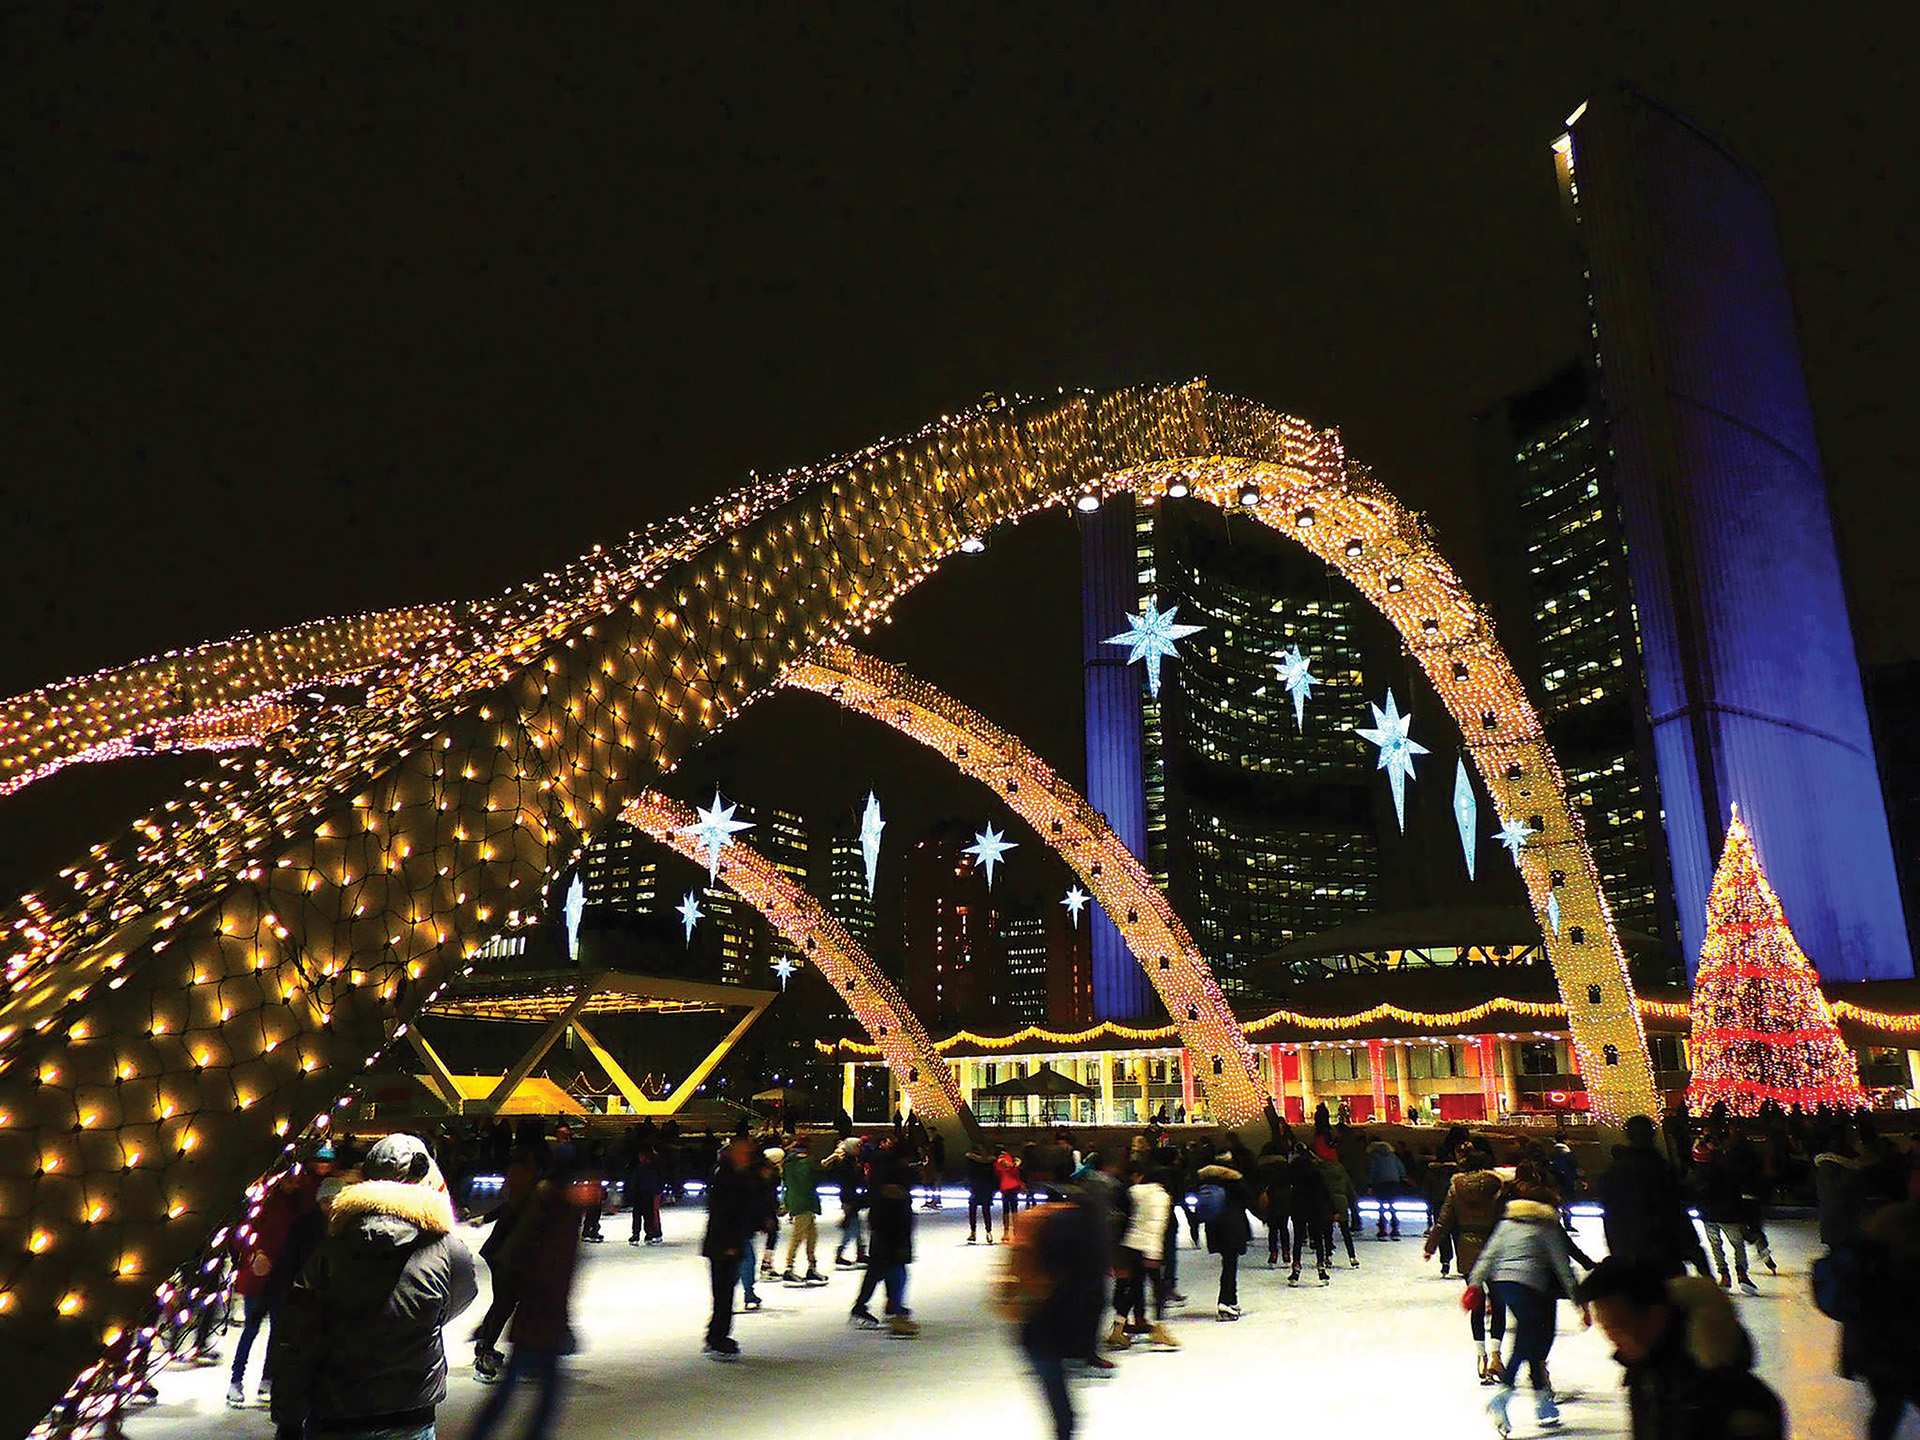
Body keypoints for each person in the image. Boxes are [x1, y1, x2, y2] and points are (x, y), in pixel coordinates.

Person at [269, 1133, 478, 1440]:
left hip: (336, 1414)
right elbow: (461, 1296)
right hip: (411, 1416)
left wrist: (288, 1419)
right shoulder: (446, 1250)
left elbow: (297, 1339)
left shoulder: (330, 1250)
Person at [1578, 1257, 1784, 1440]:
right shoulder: (1647, 1373)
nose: (1612, 1338)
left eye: (1617, 1326)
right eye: (1605, 1328)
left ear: (1655, 1315)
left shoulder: (1736, 1400)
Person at [465, 1163, 594, 1440]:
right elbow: (534, 1261)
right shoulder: (550, 1210)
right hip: (538, 1316)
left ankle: (485, 1348)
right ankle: (484, 1350)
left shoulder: (555, 1210)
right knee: (539, 1395)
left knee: (534, 1392)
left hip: (540, 1317)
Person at [998, 1145, 1106, 1440]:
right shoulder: (1089, 1213)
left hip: (1044, 1321)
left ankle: (1065, 1426)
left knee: (1058, 1398)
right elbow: (1099, 1267)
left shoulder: (1033, 1221)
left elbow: (1019, 1272)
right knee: (1062, 1403)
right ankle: (1065, 1425)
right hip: (1077, 1317)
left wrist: (1011, 1302)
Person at [1469, 1196, 1586, 1433]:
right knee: (1530, 1338)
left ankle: (1543, 1404)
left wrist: (1475, 1283)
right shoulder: (1548, 1226)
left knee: (1534, 1337)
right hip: (1532, 1285)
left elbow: (1488, 1255)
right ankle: (1504, 1395)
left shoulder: (1506, 1224)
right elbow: (1561, 1265)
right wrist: (1578, 1300)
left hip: (1505, 1285)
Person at [227, 1168, 316, 1408]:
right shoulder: (264, 1201)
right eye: (290, 1179)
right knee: (251, 1329)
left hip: (283, 1278)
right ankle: (236, 1380)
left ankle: (268, 1378)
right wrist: (254, 1254)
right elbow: (241, 1235)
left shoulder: (300, 1202)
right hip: (259, 1277)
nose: (294, 1184)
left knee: (278, 1331)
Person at [1839, 1197, 1920, 1440]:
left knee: (1886, 1409)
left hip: (1872, 1355)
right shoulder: (1906, 1267)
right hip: (1904, 1353)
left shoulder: (1863, 1261)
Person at [1426, 1145, 1507, 1382]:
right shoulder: (1498, 1187)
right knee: (1499, 1302)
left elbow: (1443, 1221)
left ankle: (1480, 1357)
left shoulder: (1456, 1189)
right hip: (1494, 1246)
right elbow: (1505, 1216)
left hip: (1467, 1248)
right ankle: (1495, 1353)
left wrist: (1431, 1247)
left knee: (1477, 1303)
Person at [1599, 1115, 1711, 1279]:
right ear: (1652, 1135)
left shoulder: (1613, 1173)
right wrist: (1696, 1254)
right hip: (1664, 1253)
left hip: (1632, 1255)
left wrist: (1618, 1255)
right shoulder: (1661, 1169)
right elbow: (1675, 1214)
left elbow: (1611, 1217)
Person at [469, 1145, 539, 1380]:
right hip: (504, 1256)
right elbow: (511, 1215)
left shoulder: (525, 1193)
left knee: (505, 1303)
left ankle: (483, 1344)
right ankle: (484, 1354)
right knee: (505, 1304)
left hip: (507, 1255)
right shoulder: (527, 1193)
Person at [850, 1141, 920, 1336]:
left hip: (886, 1227)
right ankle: (894, 1311)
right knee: (894, 1270)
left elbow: (873, 1195)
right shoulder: (893, 1174)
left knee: (882, 1270)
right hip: (890, 1228)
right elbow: (885, 1198)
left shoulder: (885, 1172)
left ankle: (884, 1307)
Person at [1108, 1159, 1178, 1351]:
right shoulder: (1162, 1197)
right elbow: (1157, 1226)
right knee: (1157, 1288)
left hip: (1130, 1244)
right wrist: (1155, 1253)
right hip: (1149, 1248)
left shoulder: (1135, 1191)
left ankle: (1118, 1328)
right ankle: (1159, 1329)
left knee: (1133, 1288)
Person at [701, 1135, 758, 1361]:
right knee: (723, 1293)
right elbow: (724, 1214)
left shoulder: (736, 1174)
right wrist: (729, 1244)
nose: (747, 1157)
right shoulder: (727, 1176)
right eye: (744, 1153)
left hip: (728, 1242)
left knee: (725, 1293)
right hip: (723, 1245)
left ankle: (717, 1334)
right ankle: (717, 1338)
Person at [1196, 1148, 1258, 1319]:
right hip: (1233, 1226)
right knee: (1230, 1265)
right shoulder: (1235, 1180)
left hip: (1214, 1227)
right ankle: (1225, 1302)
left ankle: (1232, 1300)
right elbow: (1249, 1199)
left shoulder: (1205, 1179)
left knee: (1228, 1263)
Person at [780, 1136, 827, 1284]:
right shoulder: (806, 1163)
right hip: (805, 1203)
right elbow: (812, 1179)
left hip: (798, 1201)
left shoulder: (789, 1164)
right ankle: (788, 1268)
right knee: (798, 1237)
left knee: (811, 1235)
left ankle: (811, 1267)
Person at [1316, 1144, 1361, 1268]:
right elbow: (1349, 1187)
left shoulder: (1320, 1170)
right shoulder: (1341, 1169)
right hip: (1342, 1201)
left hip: (1326, 1201)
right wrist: (1354, 1200)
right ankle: (1352, 1257)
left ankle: (1328, 1256)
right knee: (1345, 1231)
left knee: (1327, 1231)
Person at [829, 1134, 869, 1269]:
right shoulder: (846, 1163)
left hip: (851, 1198)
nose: (860, 1149)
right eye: (858, 1146)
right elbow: (847, 1181)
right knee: (853, 1227)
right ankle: (844, 1253)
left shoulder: (852, 1161)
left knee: (856, 1227)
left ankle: (859, 1253)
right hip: (849, 1198)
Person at [1366, 1134, 1409, 1239]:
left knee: (1381, 1206)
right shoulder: (1392, 1155)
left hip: (1380, 1183)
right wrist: (1401, 1178)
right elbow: (1401, 1169)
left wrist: (1370, 1184)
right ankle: (1395, 1228)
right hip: (1394, 1183)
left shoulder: (1374, 1156)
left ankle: (1382, 1229)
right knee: (1391, 1205)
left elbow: (1373, 1171)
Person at [625, 1143, 664, 1246]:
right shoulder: (639, 1168)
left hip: (649, 1195)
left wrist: (657, 1191)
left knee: (648, 1216)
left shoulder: (653, 1167)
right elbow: (634, 1181)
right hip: (639, 1195)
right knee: (638, 1216)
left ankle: (649, 1233)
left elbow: (658, 1180)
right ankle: (637, 1234)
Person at [965, 1144, 999, 1244]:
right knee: (986, 1211)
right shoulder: (991, 1163)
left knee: (972, 1211)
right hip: (986, 1189)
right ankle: (989, 1233)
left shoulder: (971, 1162)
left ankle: (973, 1232)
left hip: (975, 1189)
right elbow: (994, 1178)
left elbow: (969, 1175)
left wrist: (968, 1186)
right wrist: (994, 1190)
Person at [995, 1144, 1024, 1236]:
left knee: (1006, 1210)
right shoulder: (1013, 1161)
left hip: (1005, 1187)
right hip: (1014, 1187)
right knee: (1014, 1209)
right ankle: (1016, 1230)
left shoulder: (999, 1161)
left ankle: (1006, 1232)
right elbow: (1016, 1174)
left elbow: (998, 1173)